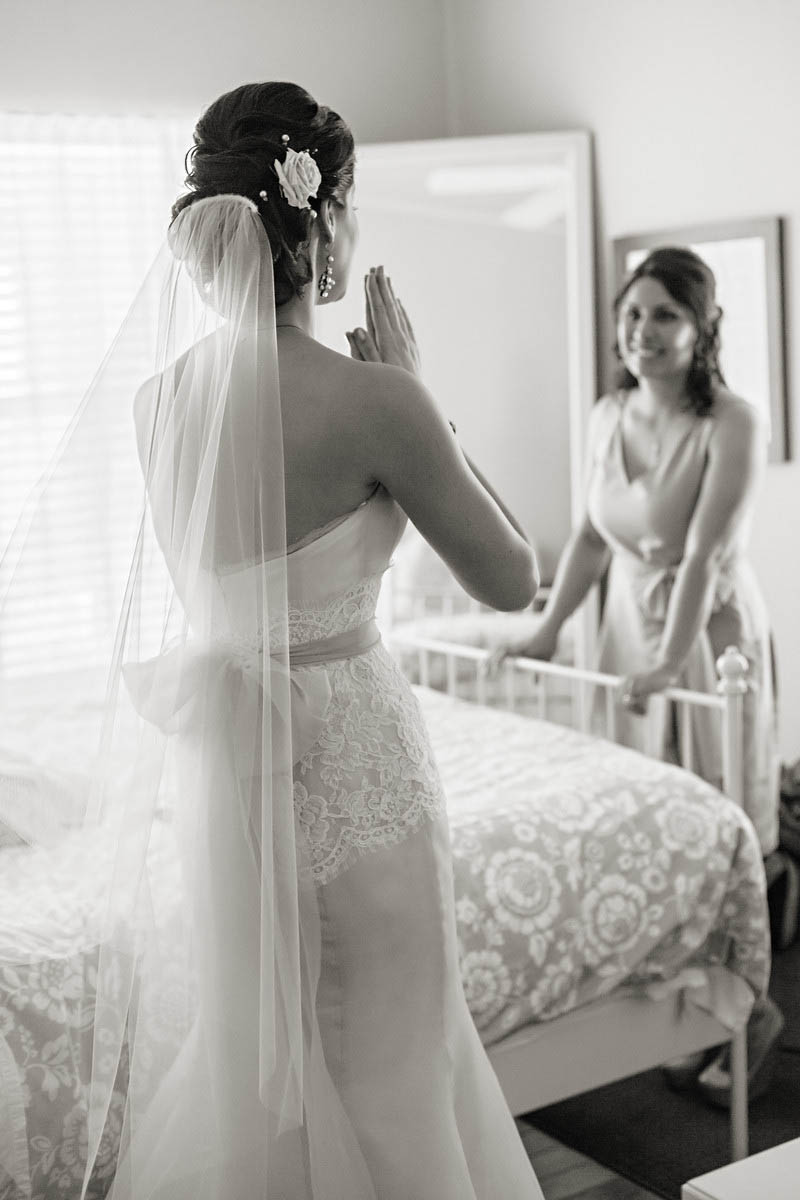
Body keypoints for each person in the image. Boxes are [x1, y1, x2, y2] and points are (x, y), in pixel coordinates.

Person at [0, 83, 544, 1199]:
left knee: (264, 1065)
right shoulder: (379, 402)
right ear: (322, 217)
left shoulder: (158, 405)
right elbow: (513, 579)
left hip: (235, 782)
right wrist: (424, 401)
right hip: (361, 766)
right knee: (395, 1066)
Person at [491, 245, 783, 1103]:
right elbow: (590, 537)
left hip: (708, 636)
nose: (641, 330)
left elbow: (703, 557)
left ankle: (757, 1009)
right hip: (626, 628)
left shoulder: (733, 422)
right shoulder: (606, 414)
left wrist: (667, 662)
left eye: (664, 314)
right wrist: (548, 632)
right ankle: (696, 1000)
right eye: (631, 313)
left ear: (702, 328)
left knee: (721, 809)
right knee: (655, 819)